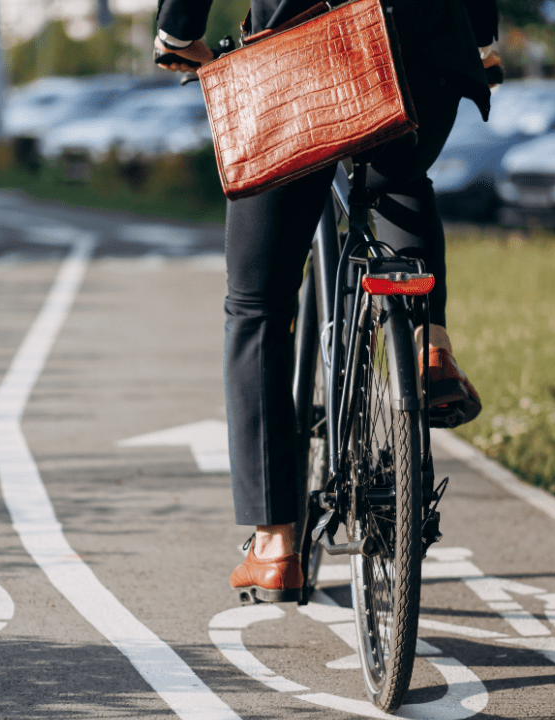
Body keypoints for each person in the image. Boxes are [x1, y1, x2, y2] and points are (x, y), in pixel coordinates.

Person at [154, 0, 497, 599]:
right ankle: (427, 342)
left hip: (302, 50)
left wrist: (178, 32)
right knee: (398, 179)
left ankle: (275, 544)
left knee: (256, 307)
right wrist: (482, 39)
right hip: (427, 41)